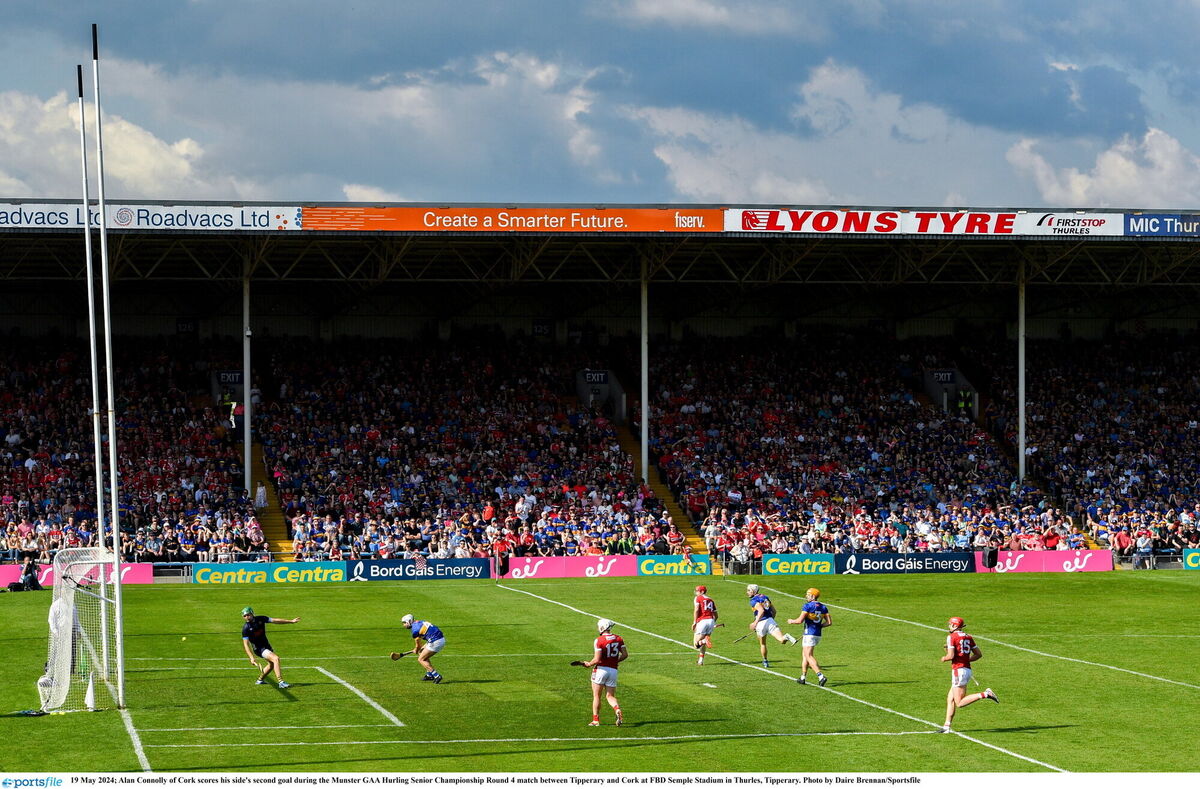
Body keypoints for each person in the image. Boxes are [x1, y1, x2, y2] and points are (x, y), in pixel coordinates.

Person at [939, 616, 999, 733]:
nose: (949, 626)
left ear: (955, 626)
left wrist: (944, 658)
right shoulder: (968, 637)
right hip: (965, 670)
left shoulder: (951, 637)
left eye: (950, 624)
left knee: (959, 703)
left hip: (958, 671)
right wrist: (965, 660)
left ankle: (985, 694)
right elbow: (978, 654)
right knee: (950, 699)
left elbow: (951, 656)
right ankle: (946, 726)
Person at [581, 617, 626, 726]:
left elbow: (597, 659)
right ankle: (617, 709)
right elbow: (625, 655)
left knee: (597, 696)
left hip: (601, 670)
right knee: (610, 696)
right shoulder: (618, 638)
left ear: (602, 628)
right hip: (613, 670)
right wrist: (615, 661)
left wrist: (588, 664)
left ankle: (596, 720)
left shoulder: (599, 640)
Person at [241, 606, 300, 689]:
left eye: (248, 615)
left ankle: (260, 680)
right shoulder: (246, 628)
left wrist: (291, 621)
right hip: (259, 649)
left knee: (271, 664)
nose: (247, 617)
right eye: (244, 616)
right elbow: (246, 644)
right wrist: (251, 658)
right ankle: (281, 682)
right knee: (276, 659)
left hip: (266, 646)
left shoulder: (261, 618)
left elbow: (275, 620)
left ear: (252, 613)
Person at [787, 587, 831, 686]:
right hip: (817, 634)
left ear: (813, 596)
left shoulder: (807, 606)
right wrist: (819, 626)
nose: (806, 596)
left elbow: (799, 621)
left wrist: (791, 621)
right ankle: (803, 677)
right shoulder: (823, 607)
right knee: (805, 655)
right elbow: (829, 623)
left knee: (808, 656)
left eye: (808, 594)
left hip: (809, 634)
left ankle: (820, 676)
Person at [746, 583, 796, 668]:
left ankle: (765, 661)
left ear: (753, 591)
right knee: (781, 640)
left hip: (761, 623)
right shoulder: (765, 597)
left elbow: (761, 611)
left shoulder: (753, 600)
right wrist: (770, 620)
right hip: (770, 620)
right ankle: (786, 636)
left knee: (763, 644)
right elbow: (774, 611)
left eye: (749, 590)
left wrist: (755, 623)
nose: (747, 592)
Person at [392, 613, 445, 684]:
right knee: (421, 652)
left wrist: (416, 649)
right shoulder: (418, 622)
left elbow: (418, 645)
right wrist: (417, 650)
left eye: (404, 623)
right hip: (438, 638)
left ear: (409, 621)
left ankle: (436, 675)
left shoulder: (415, 630)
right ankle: (429, 675)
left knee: (421, 659)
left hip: (436, 641)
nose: (404, 625)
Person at [692, 584, 718, 666]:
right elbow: (716, 615)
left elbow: (696, 610)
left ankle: (704, 641)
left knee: (696, 644)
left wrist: (694, 622)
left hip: (702, 621)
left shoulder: (698, 598)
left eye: (697, 591)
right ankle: (701, 660)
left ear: (702, 591)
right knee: (702, 643)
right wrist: (713, 622)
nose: (696, 592)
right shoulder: (711, 600)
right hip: (711, 621)